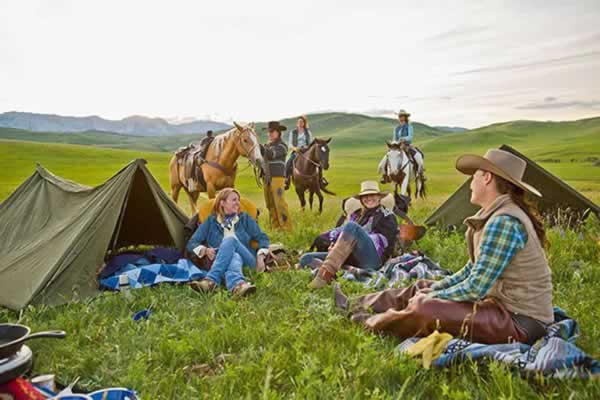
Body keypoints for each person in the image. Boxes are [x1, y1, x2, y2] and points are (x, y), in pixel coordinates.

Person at [337, 149, 553, 345]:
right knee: (422, 285)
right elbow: (472, 270)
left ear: (487, 178)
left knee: (427, 307)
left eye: (474, 176)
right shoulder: (494, 215)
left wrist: (434, 297)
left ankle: (371, 322)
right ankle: (353, 304)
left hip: (520, 322)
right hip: (500, 308)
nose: (470, 183)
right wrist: (435, 289)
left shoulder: (503, 222)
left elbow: (476, 287)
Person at [306, 181, 398, 289]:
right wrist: (337, 246)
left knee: (351, 226)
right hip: (354, 258)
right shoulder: (358, 215)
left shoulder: (387, 215)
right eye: (365, 196)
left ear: (379, 197)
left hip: (373, 259)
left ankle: (324, 275)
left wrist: (353, 241)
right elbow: (343, 233)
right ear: (361, 199)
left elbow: (387, 241)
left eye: (372, 195)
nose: (369, 198)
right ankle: (334, 272)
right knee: (306, 258)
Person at [187, 188, 270, 297]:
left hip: (247, 259)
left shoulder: (244, 218)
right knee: (233, 256)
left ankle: (211, 280)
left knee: (230, 240)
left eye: (238, 200)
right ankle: (238, 286)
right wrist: (205, 250)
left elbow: (263, 238)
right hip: (222, 259)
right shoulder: (211, 222)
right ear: (222, 203)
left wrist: (260, 256)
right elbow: (192, 243)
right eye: (234, 200)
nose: (238, 203)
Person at [261, 121, 293, 230]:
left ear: (278, 132)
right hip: (266, 178)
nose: (270, 134)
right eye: (269, 132)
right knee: (270, 204)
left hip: (277, 177)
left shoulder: (282, 146)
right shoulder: (268, 146)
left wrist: (260, 147)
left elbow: (271, 154)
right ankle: (276, 228)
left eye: (272, 131)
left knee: (280, 203)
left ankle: (287, 229)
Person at [284, 116, 313, 190]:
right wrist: (294, 148)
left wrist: (307, 148)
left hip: (306, 151)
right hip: (296, 151)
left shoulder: (308, 132)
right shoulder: (293, 132)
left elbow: (311, 143)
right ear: (297, 123)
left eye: (302, 122)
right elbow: (290, 144)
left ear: (304, 123)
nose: (300, 123)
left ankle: (320, 179)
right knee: (288, 162)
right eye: (299, 122)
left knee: (316, 161)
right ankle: (286, 180)